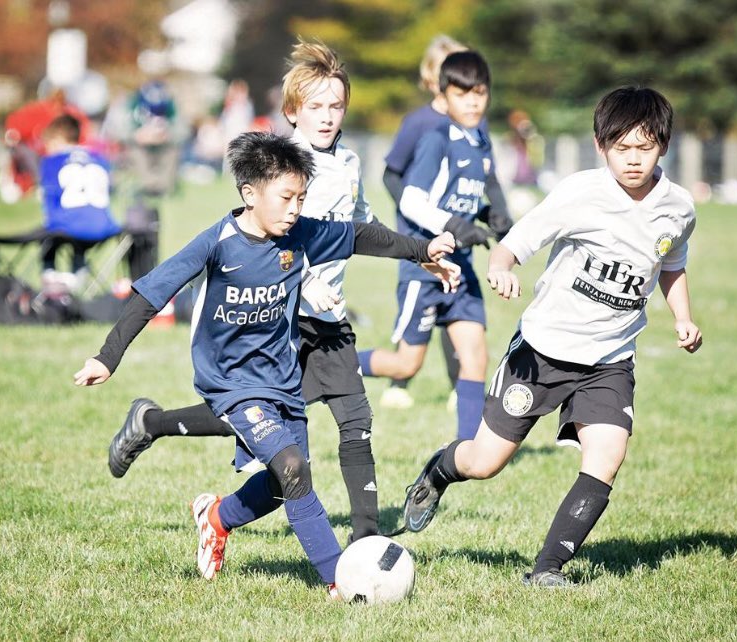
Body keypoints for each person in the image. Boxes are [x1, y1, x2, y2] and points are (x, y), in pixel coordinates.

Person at [105, 39, 456, 543]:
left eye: (336, 105)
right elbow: (269, 243)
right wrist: (307, 280)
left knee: (356, 421)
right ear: (292, 111)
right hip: (280, 322)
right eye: (316, 105)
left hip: (328, 323)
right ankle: (156, 426)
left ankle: (366, 542)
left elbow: (357, 229)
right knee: (259, 438)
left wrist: (420, 251)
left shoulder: (350, 164)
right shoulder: (279, 165)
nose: (328, 115)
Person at [74, 131, 458, 591]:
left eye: (301, 197)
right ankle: (339, 581)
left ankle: (215, 516)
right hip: (230, 380)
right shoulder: (218, 243)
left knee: (281, 486)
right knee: (293, 466)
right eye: (286, 197)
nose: (295, 208)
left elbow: (358, 235)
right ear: (250, 194)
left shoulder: (298, 233)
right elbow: (151, 295)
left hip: (281, 379)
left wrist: (422, 250)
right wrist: (106, 357)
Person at [400, 86, 703, 588]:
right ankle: (438, 472)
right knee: (485, 462)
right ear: (600, 145)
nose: (633, 159)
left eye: (643, 148)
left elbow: (671, 263)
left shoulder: (679, 208)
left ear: (664, 146)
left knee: (607, 456)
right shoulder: (580, 193)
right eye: (621, 148)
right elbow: (514, 244)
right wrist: (501, 269)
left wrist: (682, 318)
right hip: (541, 353)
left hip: (610, 360)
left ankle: (546, 569)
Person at [358, 50, 495, 442]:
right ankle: (326, 367)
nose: (472, 101)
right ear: (443, 96)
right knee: (405, 365)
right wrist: (453, 226)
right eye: (462, 93)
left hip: (461, 268)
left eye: (480, 92)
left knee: (476, 357)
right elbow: (412, 200)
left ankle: (467, 450)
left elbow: (468, 196)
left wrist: (490, 217)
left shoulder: (479, 139)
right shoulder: (437, 139)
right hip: (426, 266)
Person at [378, 35, 514, 411]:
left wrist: (493, 215)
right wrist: (428, 230)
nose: (470, 93)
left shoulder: (476, 128)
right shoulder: (424, 126)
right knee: (410, 353)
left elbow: (483, 179)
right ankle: (384, 377)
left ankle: (467, 432)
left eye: (477, 87)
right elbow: (397, 181)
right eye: (457, 79)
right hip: (423, 246)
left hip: (460, 251)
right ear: (436, 79)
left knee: (471, 347)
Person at [38, 114, 120, 284]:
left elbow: (49, 202)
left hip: (68, 229)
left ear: (57, 139)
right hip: (105, 227)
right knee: (80, 216)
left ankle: (49, 273)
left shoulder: (51, 161)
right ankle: (78, 266)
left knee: (51, 230)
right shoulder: (99, 158)